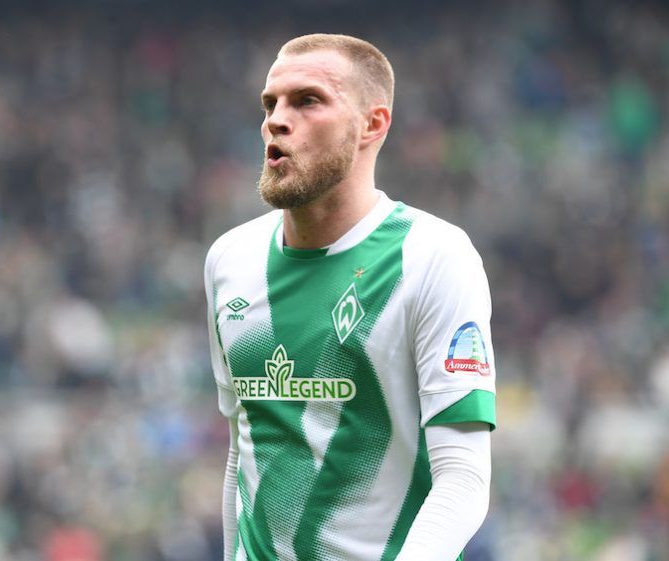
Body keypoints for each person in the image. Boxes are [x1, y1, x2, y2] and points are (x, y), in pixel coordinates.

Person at [203, 33, 496, 561]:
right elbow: (242, 451)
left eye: (307, 100)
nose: (276, 119)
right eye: (270, 104)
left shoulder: (433, 256)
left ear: (372, 124)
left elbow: (463, 479)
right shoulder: (230, 260)